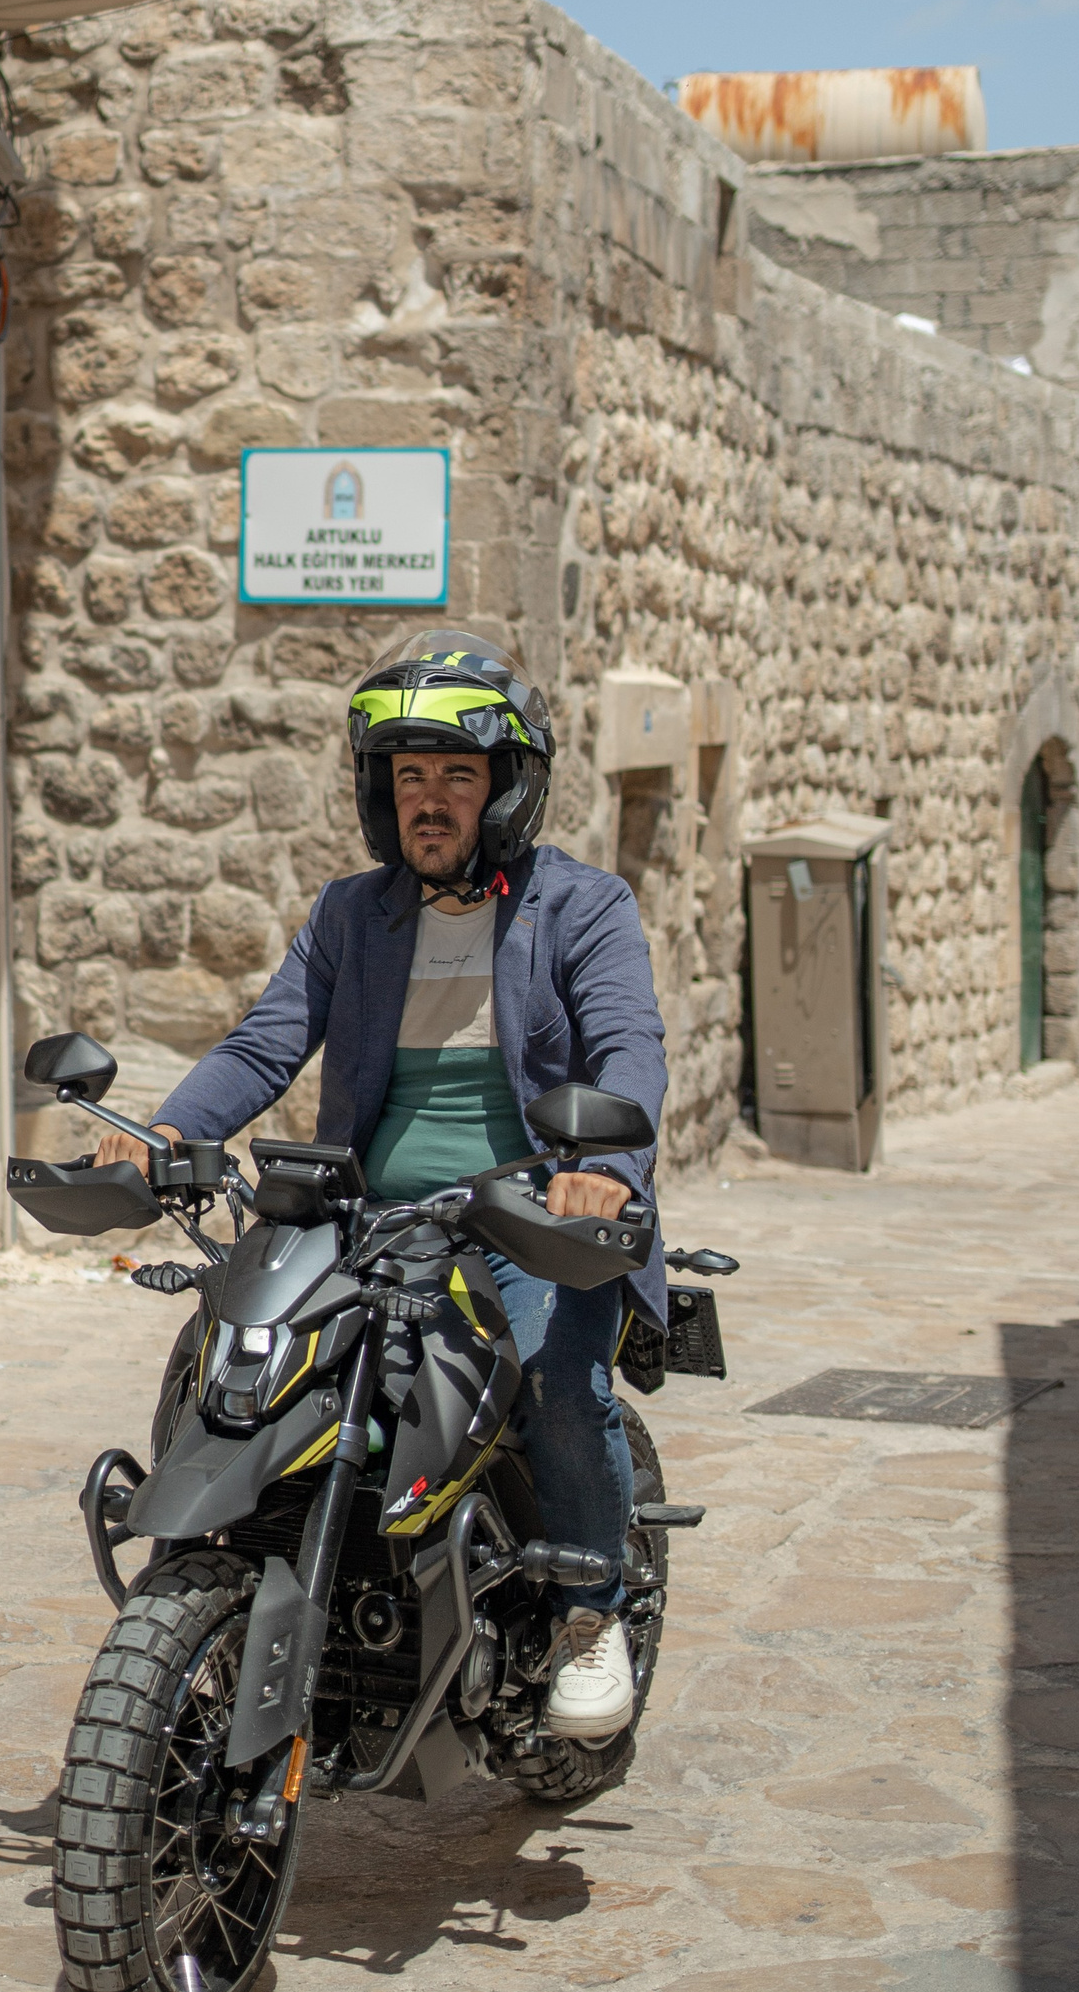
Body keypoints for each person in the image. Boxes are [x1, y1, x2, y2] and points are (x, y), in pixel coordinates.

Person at [93, 628, 667, 1742]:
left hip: (525, 1220)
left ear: (508, 787)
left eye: (456, 774)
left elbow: (626, 1046)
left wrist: (602, 1171)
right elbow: (264, 1043)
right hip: (365, 1219)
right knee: (227, 1349)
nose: (430, 800)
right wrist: (168, 1130)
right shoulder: (352, 913)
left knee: (557, 1375)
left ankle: (588, 1610)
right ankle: (223, 1573)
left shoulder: (582, 907)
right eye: (409, 777)